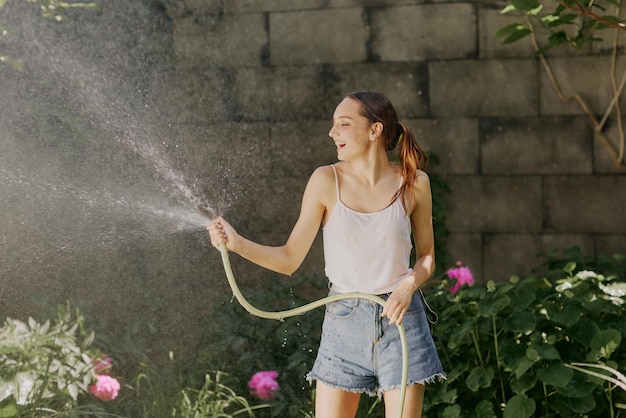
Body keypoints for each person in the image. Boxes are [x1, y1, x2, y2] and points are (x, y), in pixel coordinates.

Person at [207, 91, 445, 418]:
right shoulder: (325, 180)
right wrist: (236, 243)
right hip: (343, 321)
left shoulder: (414, 182)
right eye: (334, 125)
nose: (333, 133)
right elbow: (290, 259)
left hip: (402, 320)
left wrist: (408, 286)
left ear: (374, 130)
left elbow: (427, 257)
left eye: (343, 124)